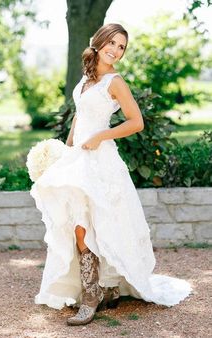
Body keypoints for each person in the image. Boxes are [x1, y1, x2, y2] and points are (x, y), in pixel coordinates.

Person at [30, 23, 192, 326]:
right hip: (78, 157)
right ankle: (101, 291)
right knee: (78, 223)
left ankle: (92, 297)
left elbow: (136, 122)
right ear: (99, 41)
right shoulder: (88, 77)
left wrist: (102, 136)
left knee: (94, 224)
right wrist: (66, 149)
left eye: (121, 47)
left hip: (100, 159)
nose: (116, 50)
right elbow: (79, 115)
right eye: (113, 43)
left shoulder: (115, 81)